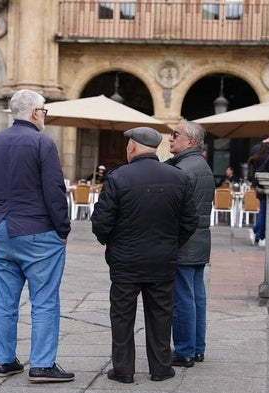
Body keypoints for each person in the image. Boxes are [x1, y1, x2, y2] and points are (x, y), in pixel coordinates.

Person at [0, 89, 74, 383]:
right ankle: (42, 364)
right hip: (37, 231)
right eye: (44, 111)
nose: (44, 116)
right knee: (44, 299)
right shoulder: (42, 142)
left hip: (2, 229)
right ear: (35, 113)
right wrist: (63, 229)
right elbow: (54, 190)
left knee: (5, 300)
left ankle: (5, 360)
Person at [91, 127, 198, 384]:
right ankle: (161, 368)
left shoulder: (118, 178)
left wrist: (113, 243)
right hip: (162, 259)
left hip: (125, 261)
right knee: (161, 315)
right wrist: (171, 243)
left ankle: (123, 370)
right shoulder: (178, 177)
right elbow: (190, 221)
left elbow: (101, 222)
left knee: (122, 316)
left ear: (133, 147)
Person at [166, 121, 214, 369]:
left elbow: (174, 209)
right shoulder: (200, 164)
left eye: (175, 134)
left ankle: (184, 350)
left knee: (182, 297)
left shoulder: (184, 169)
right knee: (196, 296)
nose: (170, 138)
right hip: (200, 239)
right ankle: (197, 349)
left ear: (191, 141)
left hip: (185, 241)